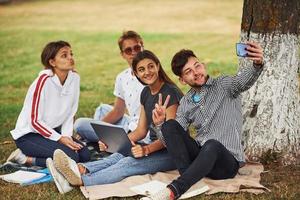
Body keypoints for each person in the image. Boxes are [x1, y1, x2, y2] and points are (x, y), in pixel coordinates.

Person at [145, 42, 264, 200]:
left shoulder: (224, 84)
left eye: (197, 66)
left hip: (226, 163)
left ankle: (175, 189)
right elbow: (174, 142)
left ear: (202, 65)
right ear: (182, 80)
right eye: (188, 71)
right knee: (169, 125)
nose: (196, 72)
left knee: (212, 144)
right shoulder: (186, 102)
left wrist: (257, 63)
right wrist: (160, 124)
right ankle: (189, 180)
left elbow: (243, 81)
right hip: (201, 159)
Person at [49, 50, 183, 188]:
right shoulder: (146, 92)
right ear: (136, 74)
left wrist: (146, 150)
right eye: (141, 69)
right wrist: (116, 143)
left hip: (173, 152)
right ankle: (79, 169)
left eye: (150, 66)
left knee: (128, 163)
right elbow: (141, 131)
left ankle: (82, 181)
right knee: (118, 156)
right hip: (153, 145)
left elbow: (170, 138)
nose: (147, 72)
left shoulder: (169, 93)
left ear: (158, 66)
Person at [8, 41, 90, 169]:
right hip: (29, 135)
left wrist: (67, 137)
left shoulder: (74, 78)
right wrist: (60, 139)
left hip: (52, 132)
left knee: (85, 155)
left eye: (71, 54)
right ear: (52, 62)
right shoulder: (42, 82)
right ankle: (25, 158)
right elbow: (34, 121)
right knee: (72, 158)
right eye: (64, 55)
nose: (70, 58)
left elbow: (70, 113)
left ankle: (43, 154)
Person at [74, 30, 151, 146]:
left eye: (137, 48)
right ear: (123, 54)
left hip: (140, 131)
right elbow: (118, 111)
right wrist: (97, 126)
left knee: (79, 124)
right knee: (102, 109)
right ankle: (99, 140)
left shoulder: (150, 75)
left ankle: (95, 142)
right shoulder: (122, 77)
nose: (134, 52)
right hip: (130, 122)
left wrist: (91, 129)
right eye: (128, 50)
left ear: (143, 48)